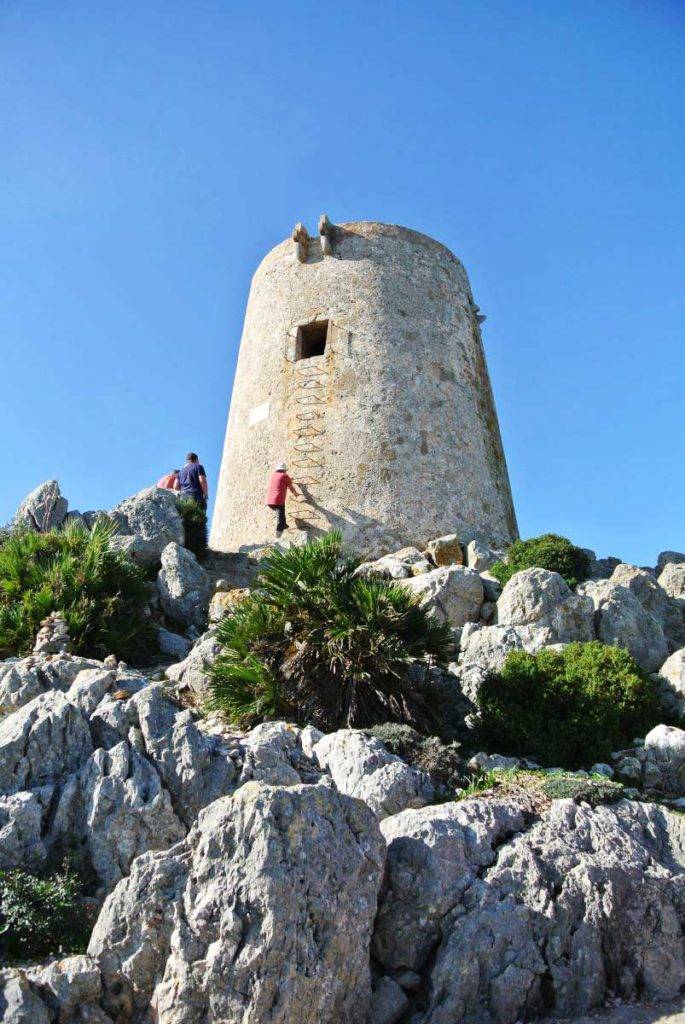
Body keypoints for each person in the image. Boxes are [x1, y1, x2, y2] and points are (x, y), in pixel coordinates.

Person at [266, 462, 298, 538]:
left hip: (270, 501)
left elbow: (280, 482)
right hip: (278, 500)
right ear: (284, 470)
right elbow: (291, 487)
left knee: (281, 515)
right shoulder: (285, 476)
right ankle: (278, 535)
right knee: (281, 518)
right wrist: (295, 493)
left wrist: (289, 479)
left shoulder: (274, 476)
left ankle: (284, 525)